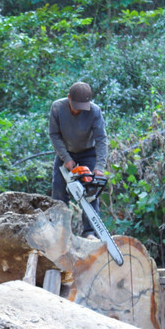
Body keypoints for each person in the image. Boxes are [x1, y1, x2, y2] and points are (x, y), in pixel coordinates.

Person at [48, 81, 109, 238]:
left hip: (88, 152)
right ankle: (60, 230)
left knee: (91, 191)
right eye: (76, 106)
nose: (79, 110)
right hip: (66, 152)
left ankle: (90, 231)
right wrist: (66, 158)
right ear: (69, 98)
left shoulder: (94, 112)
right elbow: (54, 135)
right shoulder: (57, 108)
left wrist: (99, 166)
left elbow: (101, 139)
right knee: (58, 188)